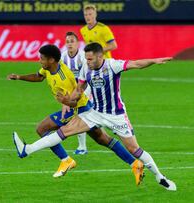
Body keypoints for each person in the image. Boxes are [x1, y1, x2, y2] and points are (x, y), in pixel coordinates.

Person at [13, 42, 176, 191]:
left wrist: (154, 60)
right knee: (64, 131)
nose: (88, 62)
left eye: (90, 59)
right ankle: (27, 150)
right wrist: (68, 100)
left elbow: (136, 64)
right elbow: (79, 89)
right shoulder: (86, 68)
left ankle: (160, 177)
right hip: (94, 113)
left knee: (134, 149)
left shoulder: (113, 65)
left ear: (100, 56)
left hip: (116, 115)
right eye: (86, 59)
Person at [61, 31, 90, 155]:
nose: (69, 44)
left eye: (72, 41)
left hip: (87, 88)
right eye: (67, 42)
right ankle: (82, 147)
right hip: (73, 92)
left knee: (85, 116)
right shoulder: (63, 57)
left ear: (78, 43)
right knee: (81, 116)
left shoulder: (83, 57)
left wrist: (81, 94)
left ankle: (82, 146)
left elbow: (88, 77)